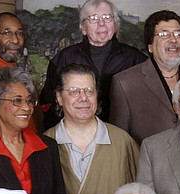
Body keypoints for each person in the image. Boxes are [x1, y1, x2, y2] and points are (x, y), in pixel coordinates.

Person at [45, 63, 139, 194]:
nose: (83, 98)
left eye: (89, 90)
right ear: (59, 97)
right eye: (74, 91)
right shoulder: (43, 145)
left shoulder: (122, 142)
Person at [109, 10, 180, 144]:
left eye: (178, 34)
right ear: (150, 46)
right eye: (164, 34)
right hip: (148, 163)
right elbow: (119, 141)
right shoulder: (124, 83)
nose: (173, 40)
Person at [39, 0, 145, 129]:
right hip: (73, 134)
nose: (101, 23)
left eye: (107, 17)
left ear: (115, 25)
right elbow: (48, 104)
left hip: (121, 134)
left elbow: (146, 105)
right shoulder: (64, 58)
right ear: (83, 28)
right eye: (93, 18)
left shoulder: (135, 59)